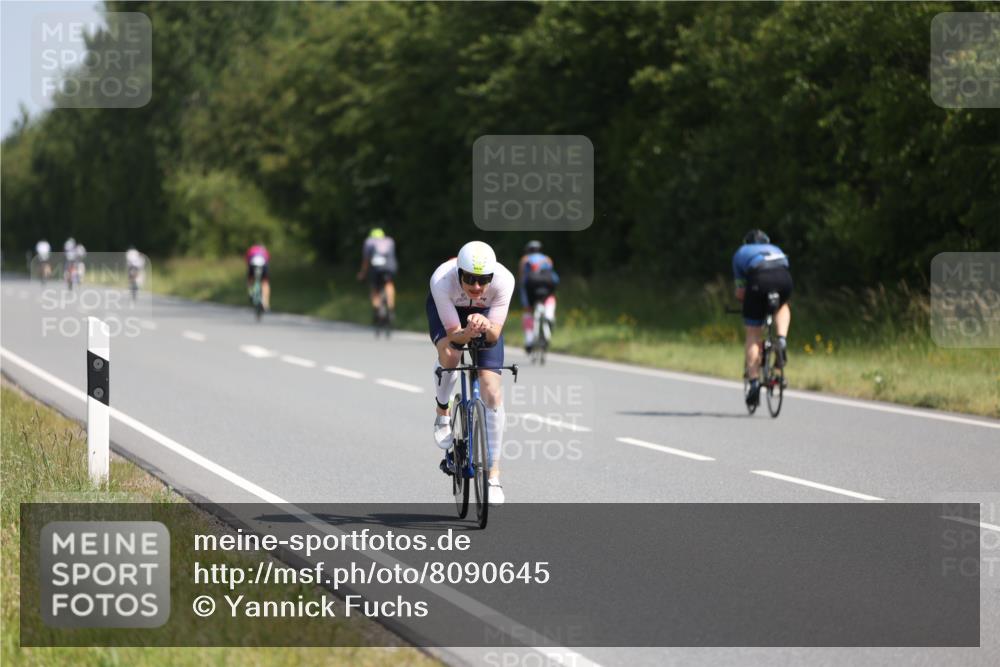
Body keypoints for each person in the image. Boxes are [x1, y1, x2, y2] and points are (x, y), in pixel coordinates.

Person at [427, 241, 515, 505]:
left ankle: (493, 476)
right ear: (458, 273)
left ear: (492, 276)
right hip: (451, 314)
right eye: (469, 279)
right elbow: (454, 336)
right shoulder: (442, 280)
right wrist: (467, 332)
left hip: (485, 315)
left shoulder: (505, 280)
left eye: (484, 280)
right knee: (451, 356)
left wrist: (485, 324)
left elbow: (494, 335)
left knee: (492, 391)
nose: (476, 286)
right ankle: (442, 412)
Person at [732, 229, 792, 407]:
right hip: (783, 278)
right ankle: (781, 339)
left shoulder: (741, 252)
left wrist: (748, 305)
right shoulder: (776, 248)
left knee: (753, 333)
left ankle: (754, 383)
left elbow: (741, 292)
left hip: (759, 277)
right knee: (782, 305)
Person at [518, 240, 559, 353]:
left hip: (531, 287)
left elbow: (522, 279)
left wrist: (523, 297)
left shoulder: (525, 259)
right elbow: (553, 277)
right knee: (550, 298)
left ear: (528, 250)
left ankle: (529, 340)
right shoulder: (547, 259)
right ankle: (549, 316)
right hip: (547, 286)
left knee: (527, 311)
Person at [356, 227, 398, 323]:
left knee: (374, 288)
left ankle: (376, 309)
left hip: (376, 268)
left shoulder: (369, 242)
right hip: (389, 267)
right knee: (389, 283)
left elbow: (366, 261)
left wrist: (362, 274)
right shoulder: (390, 241)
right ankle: (391, 308)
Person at [245, 243, 271, 311]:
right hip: (263, 265)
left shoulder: (251, 249)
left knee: (250, 279)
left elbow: (247, 261)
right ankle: (265, 303)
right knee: (265, 283)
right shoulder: (264, 251)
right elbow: (268, 260)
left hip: (252, 264)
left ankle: (250, 292)